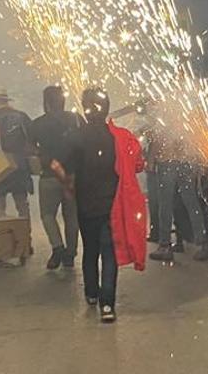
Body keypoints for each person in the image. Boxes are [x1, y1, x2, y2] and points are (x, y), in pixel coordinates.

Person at [52, 87, 146, 324]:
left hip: (85, 204)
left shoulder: (76, 135)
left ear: (85, 108)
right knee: (110, 253)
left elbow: (55, 165)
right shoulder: (121, 137)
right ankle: (107, 305)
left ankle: (91, 294)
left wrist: (68, 184)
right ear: (105, 108)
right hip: (113, 206)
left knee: (90, 250)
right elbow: (138, 164)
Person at [30, 85, 83, 269]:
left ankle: (57, 247)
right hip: (72, 177)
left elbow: (31, 149)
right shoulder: (75, 119)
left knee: (47, 215)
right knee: (71, 216)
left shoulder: (37, 124)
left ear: (46, 103)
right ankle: (70, 253)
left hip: (49, 176)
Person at [148, 119, 208, 264]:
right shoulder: (186, 116)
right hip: (185, 163)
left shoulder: (164, 112)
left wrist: (151, 160)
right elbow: (195, 140)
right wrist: (197, 162)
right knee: (192, 203)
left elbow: (159, 139)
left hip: (167, 163)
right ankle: (203, 243)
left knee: (165, 205)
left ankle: (164, 246)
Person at [0, 93, 34, 219]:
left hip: (0, 163)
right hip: (20, 164)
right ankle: (24, 233)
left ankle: (2, 234)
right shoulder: (21, 115)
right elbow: (31, 139)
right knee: (22, 204)